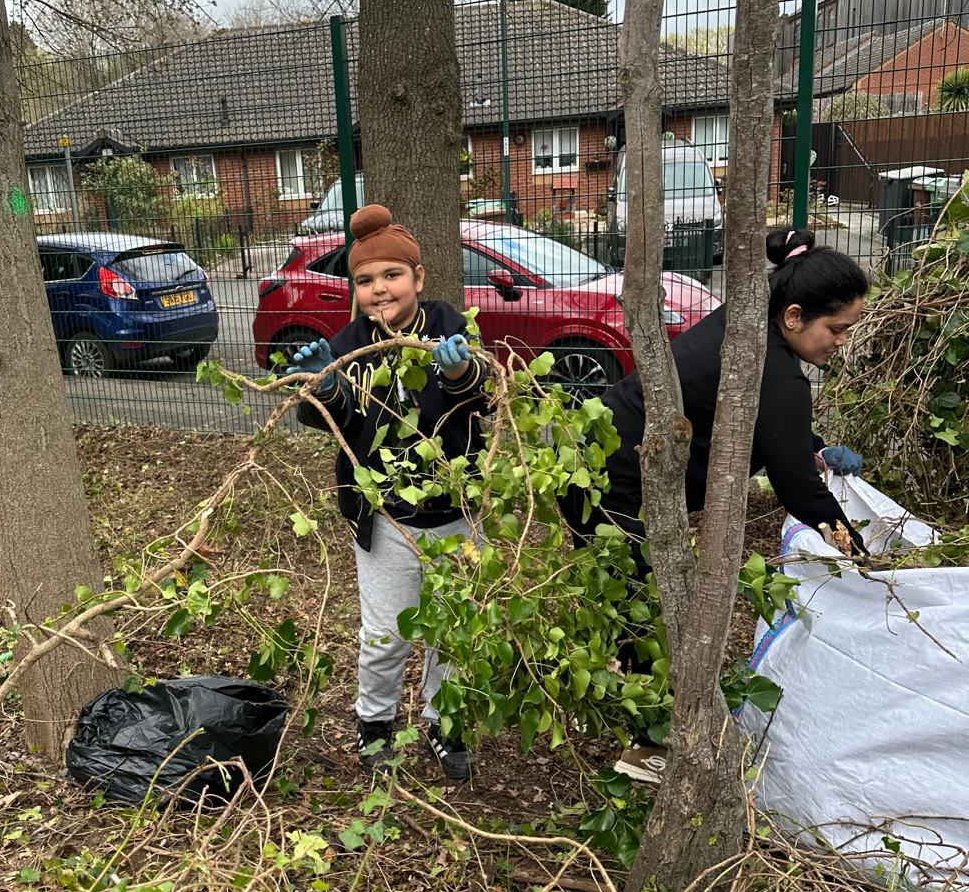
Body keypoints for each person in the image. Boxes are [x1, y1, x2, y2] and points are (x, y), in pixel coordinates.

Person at [292, 204, 489, 780]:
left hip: (455, 512)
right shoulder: (349, 344)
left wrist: (458, 372)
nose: (380, 290)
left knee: (449, 629)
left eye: (392, 276)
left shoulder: (449, 324)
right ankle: (374, 724)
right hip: (385, 519)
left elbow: (481, 398)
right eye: (365, 280)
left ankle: (443, 723)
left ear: (419, 278)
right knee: (383, 635)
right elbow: (343, 424)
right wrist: (324, 387)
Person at [562, 228, 870, 550]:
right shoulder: (774, 371)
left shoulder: (746, 322)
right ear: (794, 316)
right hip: (615, 476)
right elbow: (798, 488)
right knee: (631, 585)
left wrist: (815, 449)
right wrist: (858, 549)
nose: (842, 341)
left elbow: (773, 422)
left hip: (592, 449)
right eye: (837, 329)